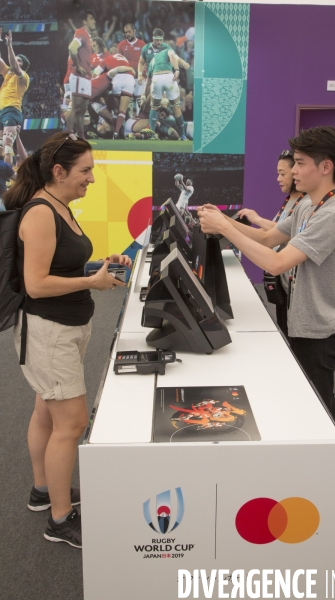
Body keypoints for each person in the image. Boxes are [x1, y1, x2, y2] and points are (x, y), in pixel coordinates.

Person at [3, 132, 132, 548]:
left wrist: (100, 265)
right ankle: (59, 520)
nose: (92, 178)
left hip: (62, 330)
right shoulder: (41, 212)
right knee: (71, 423)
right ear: (59, 172)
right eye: (85, 171)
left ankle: (44, 491)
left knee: (47, 411)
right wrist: (90, 281)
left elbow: (62, 262)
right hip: (49, 332)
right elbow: (37, 285)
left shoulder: (60, 205)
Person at [197, 126, 335, 421]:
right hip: (299, 318)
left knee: (316, 405)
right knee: (300, 395)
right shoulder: (308, 205)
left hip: (317, 330)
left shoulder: (332, 216)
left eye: (301, 163)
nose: (294, 171)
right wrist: (223, 221)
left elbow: (276, 263)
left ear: (325, 167)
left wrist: (225, 227)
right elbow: (268, 239)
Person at [236, 151, 308, 338]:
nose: (278, 179)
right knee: (284, 330)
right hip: (282, 283)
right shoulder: (290, 200)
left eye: (282, 174)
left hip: (293, 284)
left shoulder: (306, 204)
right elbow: (269, 235)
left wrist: (256, 218)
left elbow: (285, 234)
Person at [0, 30, 30, 166]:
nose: (15, 62)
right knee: (1, 148)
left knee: (7, 146)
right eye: (15, 58)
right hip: (2, 111)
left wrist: (9, 45)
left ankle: (6, 180)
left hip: (12, 110)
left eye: (19, 61)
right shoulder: (7, 72)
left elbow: (15, 66)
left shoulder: (23, 76)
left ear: (23, 65)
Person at [66, 10, 96, 139]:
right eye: (91, 18)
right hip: (78, 75)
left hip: (86, 77)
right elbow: (72, 48)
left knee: (82, 110)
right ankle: (68, 135)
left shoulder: (87, 36)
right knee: (75, 108)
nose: (94, 21)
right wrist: (78, 66)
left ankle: (81, 138)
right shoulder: (81, 33)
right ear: (85, 21)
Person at [117, 23, 145, 116]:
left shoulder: (142, 44)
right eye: (125, 32)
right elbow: (118, 61)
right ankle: (129, 122)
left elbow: (146, 61)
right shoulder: (121, 45)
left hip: (139, 77)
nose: (127, 34)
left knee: (140, 100)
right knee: (129, 101)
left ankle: (140, 122)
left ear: (134, 31)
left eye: (129, 31)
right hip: (127, 78)